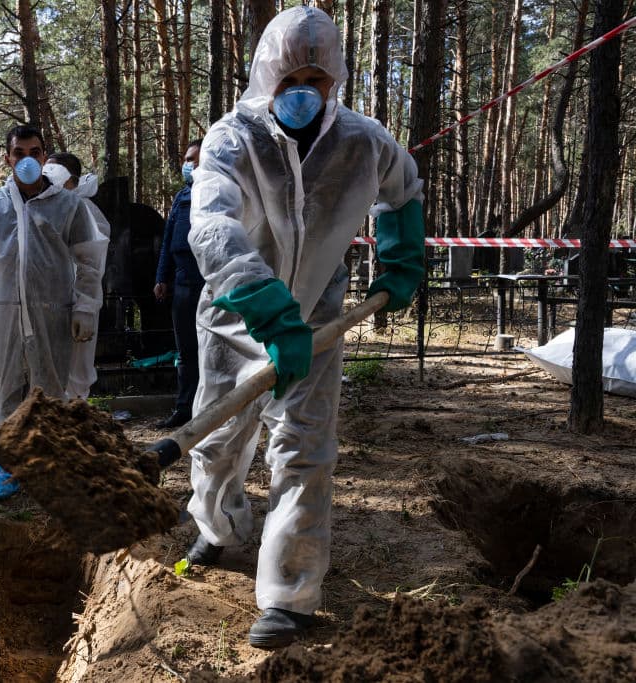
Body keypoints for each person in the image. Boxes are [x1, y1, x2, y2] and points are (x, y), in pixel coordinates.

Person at [181, 6, 425, 649]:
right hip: (237, 317)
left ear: (335, 79)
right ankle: (218, 527)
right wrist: (264, 306)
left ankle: (289, 595)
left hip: (318, 319)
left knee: (304, 450)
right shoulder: (233, 139)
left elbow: (403, 188)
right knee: (217, 443)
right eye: (292, 75)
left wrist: (400, 257)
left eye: (316, 77)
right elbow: (212, 226)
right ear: (269, 74)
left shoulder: (362, 140)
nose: (303, 90)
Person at [0, 126, 108, 498]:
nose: (27, 159)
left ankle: (49, 466)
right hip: (6, 314)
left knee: (51, 392)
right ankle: (7, 465)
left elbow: (89, 262)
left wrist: (85, 306)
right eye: (19, 152)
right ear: (8, 158)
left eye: (35, 152)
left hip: (53, 313)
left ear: (45, 157)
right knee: (5, 389)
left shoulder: (69, 205)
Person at [44, 152, 111, 400]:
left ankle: (74, 419)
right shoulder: (49, 207)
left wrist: (84, 306)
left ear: (71, 178)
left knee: (77, 373)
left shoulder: (87, 211)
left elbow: (92, 264)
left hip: (79, 302)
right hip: (49, 301)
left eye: (53, 172)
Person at [153, 139, 205, 429]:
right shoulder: (181, 197)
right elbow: (167, 241)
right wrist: (162, 277)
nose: (190, 165)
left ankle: (211, 410)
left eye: (197, 160)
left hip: (211, 284)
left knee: (211, 350)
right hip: (183, 285)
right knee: (186, 352)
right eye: (187, 159)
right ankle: (185, 409)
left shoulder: (222, 194)